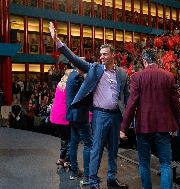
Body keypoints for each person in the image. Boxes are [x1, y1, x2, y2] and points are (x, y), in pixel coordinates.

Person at [49, 22, 129, 189]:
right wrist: (58, 42)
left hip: (115, 116)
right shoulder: (94, 69)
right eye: (101, 54)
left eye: (105, 54)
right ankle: (92, 180)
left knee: (114, 150)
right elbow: (74, 59)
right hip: (100, 115)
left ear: (113, 55)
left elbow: (126, 97)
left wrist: (125, 123)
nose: (102, 57)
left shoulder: (122, 73)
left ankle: (111, 179)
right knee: (96, 149)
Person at [120, 49, 179, 189]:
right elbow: (175, 104)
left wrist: (123, 128)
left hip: (143, 126)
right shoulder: (168, 76)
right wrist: (175, 124)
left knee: (144, 163)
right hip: (163, 127)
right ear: (157, 60)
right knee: (165, 164)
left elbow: (131, 104)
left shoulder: (136, 77)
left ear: (144, 61)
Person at [66, 65, 92, 186]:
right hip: (80, 116)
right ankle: (87, 175)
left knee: (73, 142)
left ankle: (74, 171)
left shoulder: (71, 75)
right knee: (88, 144)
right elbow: (85, 95)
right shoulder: (77, 78)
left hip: (72, 116)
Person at [50, 69, 71, 168]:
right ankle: (67, 160)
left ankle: (62, 158)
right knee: (70, 138)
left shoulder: (59, 84)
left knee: (64, 138)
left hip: (57, 116)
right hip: (65, 116)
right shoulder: (70, 85)